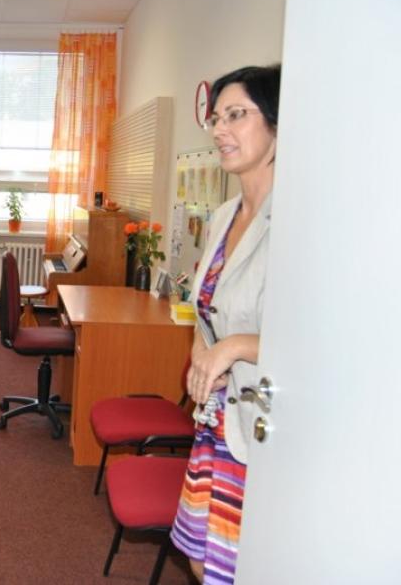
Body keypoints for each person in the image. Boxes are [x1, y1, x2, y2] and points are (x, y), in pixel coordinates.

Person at [170, 64, 281, 584]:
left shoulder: (298, 221)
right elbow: (206, 308)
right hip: (216, 421)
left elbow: (312, 338)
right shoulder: (223, 215)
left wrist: (233, 347)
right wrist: (203, 349)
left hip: (260, 423)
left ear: (278, 124)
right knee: (199, 556)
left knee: (235, 567)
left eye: (236, 115)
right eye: (216, 118)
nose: (219, 130)